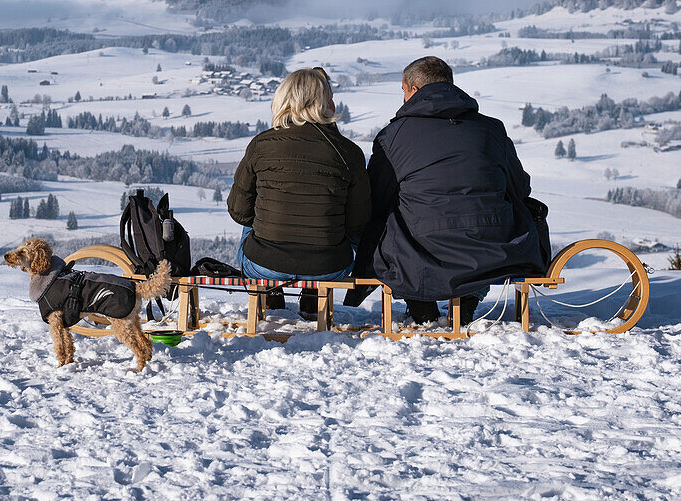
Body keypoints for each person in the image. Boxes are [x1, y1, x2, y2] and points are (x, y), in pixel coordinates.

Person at [345, 56, 548, 324]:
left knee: (385, 225)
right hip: (492, 249)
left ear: (413, 90)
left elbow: (378, 198)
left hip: (418, 251)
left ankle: (421, 306)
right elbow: (520, 187)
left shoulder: (393, 136)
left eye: (403, 91)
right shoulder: (492, 129)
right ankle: (467, 303)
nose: (403, 98)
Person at [228, 68, 370, 313]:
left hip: (264, 264)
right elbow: (358, 220)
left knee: (253, 219)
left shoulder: (261, 144)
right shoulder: (349, 152)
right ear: (325, 103)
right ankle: (313, 295)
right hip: (328, 266)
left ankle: (270, 294)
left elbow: (239, 212)